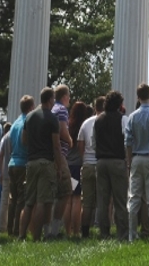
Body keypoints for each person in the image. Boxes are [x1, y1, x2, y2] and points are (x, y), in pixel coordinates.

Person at [19, 88, 62, 242]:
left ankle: (22, 235)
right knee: (42, 201)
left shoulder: (29, 117)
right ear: (50, 99)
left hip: (31, 162)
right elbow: (56, 145)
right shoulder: (52, 118)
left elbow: (24, 140)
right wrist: (60, 167)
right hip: (46, 162)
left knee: (29, 202)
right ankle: (37, 237)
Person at [125, 83, 149, 243]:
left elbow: (127, 141)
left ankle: (131, 235)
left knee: (134, 198)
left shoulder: (132, 116)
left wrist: (129, 161)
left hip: (136, 158)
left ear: (138, 97)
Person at [95, 90, 129, 240]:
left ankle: (104, 233)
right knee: (120, 200)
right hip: (117, 160)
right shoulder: (123, 119)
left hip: (101, 161)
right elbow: (127, 140)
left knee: (103, 200)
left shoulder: (98, 119)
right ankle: (122, 233)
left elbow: (93, 141)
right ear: (119, 104)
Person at [7, 95, 34, 237]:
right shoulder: (27, 122)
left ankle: (9, 228)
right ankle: (18, 229)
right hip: (23, 163)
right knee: (22, 200)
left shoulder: (15, 123)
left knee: (13, 199)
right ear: (30, 107)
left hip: (12, 163)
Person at [77, 95, 104, 238]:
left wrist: (85, 159)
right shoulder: (106, 122)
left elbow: (80, 144)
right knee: (102, 201)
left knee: (86, 202)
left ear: (95, 107)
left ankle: (85, 231)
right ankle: (102, 230)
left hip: (87, 164)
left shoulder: (86, 123)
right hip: (100, 164)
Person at [49, 84, 73, 238]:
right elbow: (63, 130)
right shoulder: (62, 110)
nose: (69, 100)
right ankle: (55, 228)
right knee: (66, 190)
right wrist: (70, 141)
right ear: (64, 96)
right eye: (68, 97)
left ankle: (50, 227)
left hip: (51, 155)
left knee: (54, 193)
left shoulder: (52, 110)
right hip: (60, 155)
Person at [65, 101, 89, 237]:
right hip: (77, 166)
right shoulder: (83, 126)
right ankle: (76, 231)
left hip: (68, 165)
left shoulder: (68, 125)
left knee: (68, 199)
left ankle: (68, 230)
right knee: (76, 199)